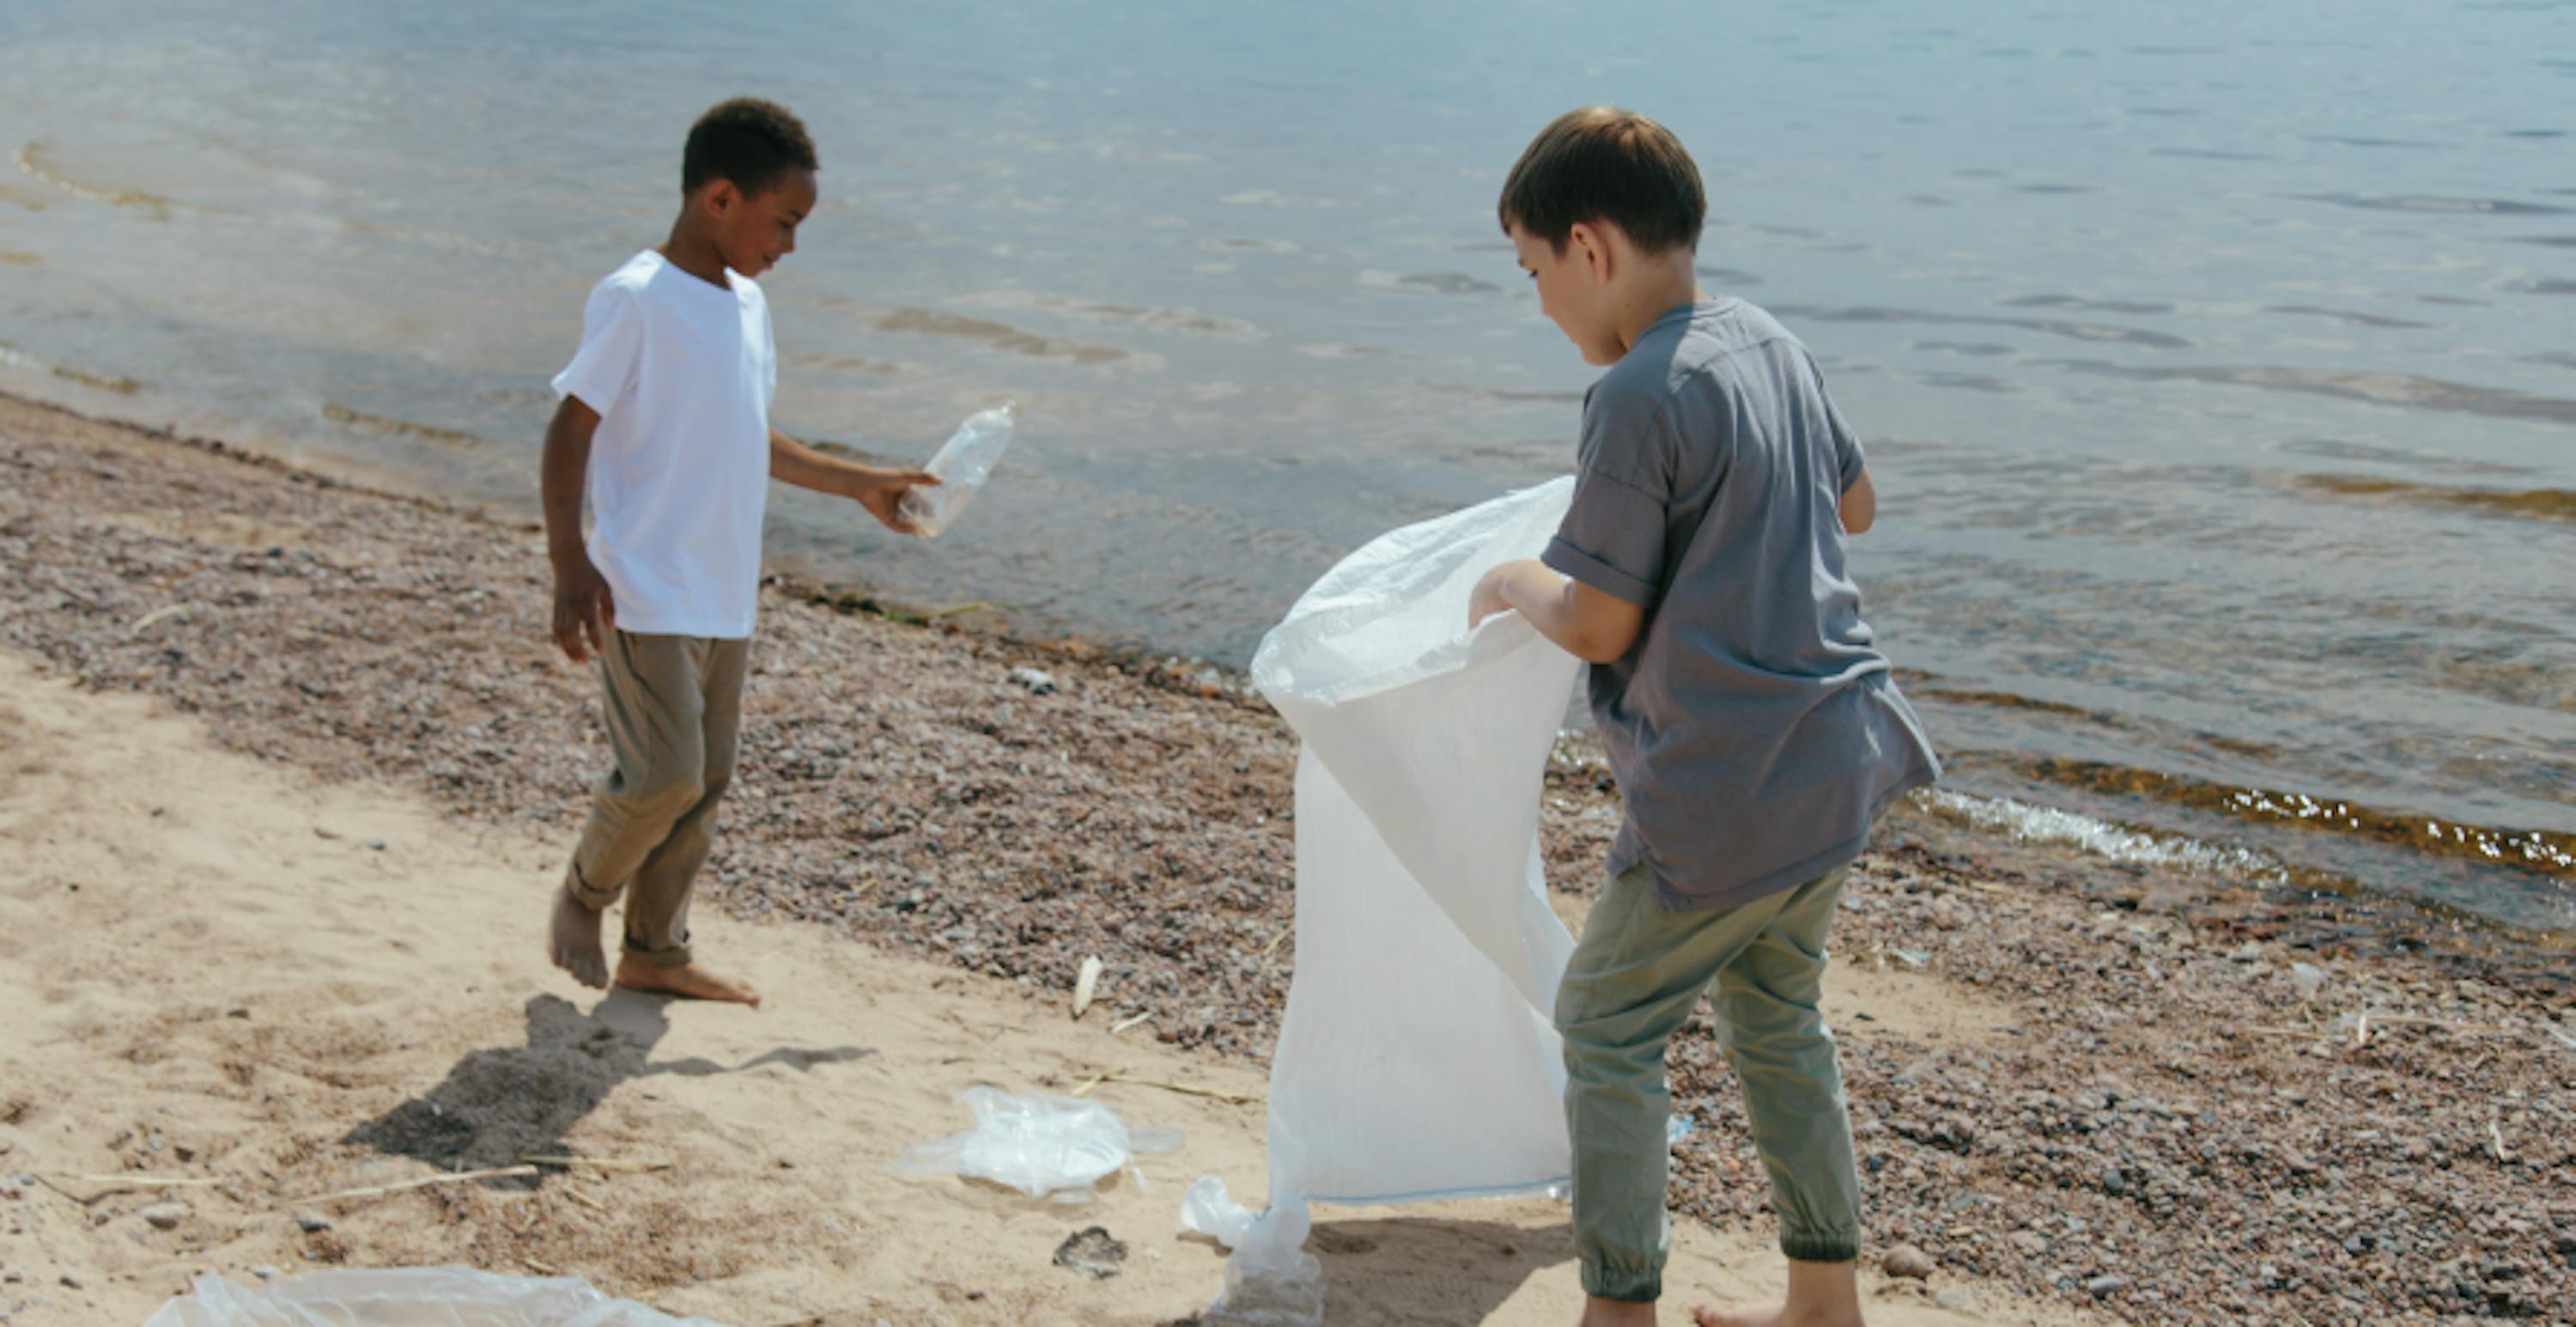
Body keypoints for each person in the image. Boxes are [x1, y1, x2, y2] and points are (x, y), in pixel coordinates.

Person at [1468, 107, 1941, 1327]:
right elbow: (1862, 502)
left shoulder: (1635, 394)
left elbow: (1600, 624)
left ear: (1591, 247)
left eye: (1534, 273)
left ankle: (1618, 1312)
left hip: (1726, 788)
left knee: (1606, 1021)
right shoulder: (1768, 344)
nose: (1540, 305)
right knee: (1780, 1017)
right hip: (1837, 754)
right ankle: (1825, 1300)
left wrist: (1514, 580)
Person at [539, 97, 936, 1007]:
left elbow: (745, 435)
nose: (790, 245)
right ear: (721, 197)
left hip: (722, 588)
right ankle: (581, 895)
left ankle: (657, 950)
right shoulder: (638, 297)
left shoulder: (748, 307)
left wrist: (860, 482)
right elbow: (571, 426)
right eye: (785, 222)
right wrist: (570, 561)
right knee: (663, 775)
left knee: (704, 785)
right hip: (640, 584)